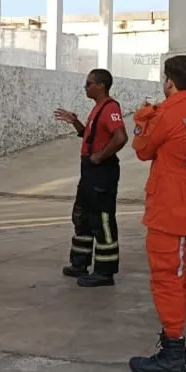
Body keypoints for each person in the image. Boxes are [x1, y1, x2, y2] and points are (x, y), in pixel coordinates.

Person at [127, 55, 186, 372]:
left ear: (170, 81)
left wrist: (142, 119)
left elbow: (142, 149)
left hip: (170, 212)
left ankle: (172, 354)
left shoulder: (167, 113)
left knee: (167, 280)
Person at [53, 68, 128, 287]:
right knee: (82, 216)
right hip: (89, 171)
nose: (85, 87)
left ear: (100, 85)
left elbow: (120, 137)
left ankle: (105, 272)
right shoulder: (98, 108)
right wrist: (75, 123)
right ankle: (79, 263)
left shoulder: (110, 108)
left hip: (101, 172)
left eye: (88, 83)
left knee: (101, 220)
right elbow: (92, 136)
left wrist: (100, 157)